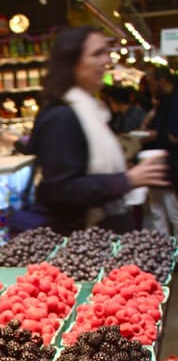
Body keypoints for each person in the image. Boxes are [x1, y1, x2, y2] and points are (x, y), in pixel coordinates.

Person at [27, 26, 168, 234]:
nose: (106, 61)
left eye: (105, 52)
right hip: (82, 244)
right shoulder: (63, 116)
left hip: (100, 237)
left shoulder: (91, 110)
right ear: (72, 63)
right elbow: (61, 190)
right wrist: (126, 180)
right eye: (96, 54)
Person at [141, 65, 178, 236]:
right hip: (157, 163)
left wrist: (156, 135)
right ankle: (164, 251)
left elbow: (173, 136)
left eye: (151, 83)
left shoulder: (175, 101)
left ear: (161, 81)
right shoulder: (162, 102)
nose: (150, 87)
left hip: (171, 165)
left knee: (172, 212)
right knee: (158, 212)